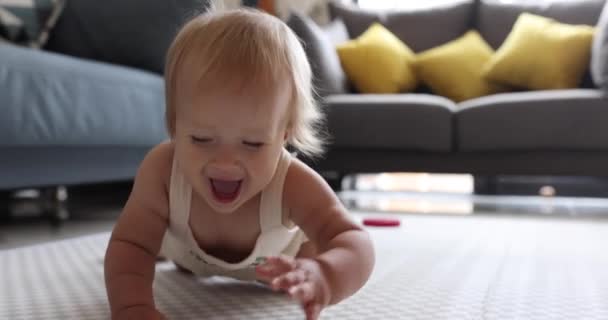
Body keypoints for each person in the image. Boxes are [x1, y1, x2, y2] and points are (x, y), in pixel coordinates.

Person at [104, 5, 374, 320]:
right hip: (188, 256)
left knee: (313, 249)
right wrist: (132, 307)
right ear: (174, 124)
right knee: (156, 242)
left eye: (253, 143)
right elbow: (131, 245)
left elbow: (355, 242)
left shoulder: (293, 184)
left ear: (284, 135)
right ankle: (178, 255)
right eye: (202, 139)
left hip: (278, 264)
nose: (226, 163)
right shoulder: (163, 171)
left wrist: (326, 274)